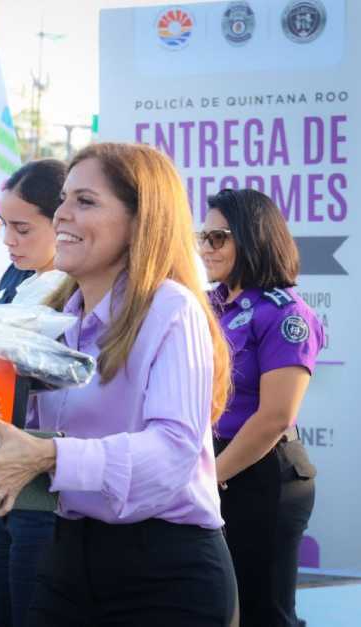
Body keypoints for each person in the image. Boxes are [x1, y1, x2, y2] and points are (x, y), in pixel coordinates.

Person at [0, 142, 238, 626]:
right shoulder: (55, 321)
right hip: (66, 555)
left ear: (141, 221)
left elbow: (172, 452)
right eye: (63, 199)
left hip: (166, 573)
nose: (61, 215)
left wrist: (50, 455)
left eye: (85, 201)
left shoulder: (171, 308)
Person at [201, 188, 322, 627]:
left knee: (263, 614)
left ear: (252, 238)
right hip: (211, 462)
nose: (205, 248)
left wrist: (209, 477)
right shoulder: (207, 302)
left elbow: (275, 416)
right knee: (212, 607)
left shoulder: (286, 312)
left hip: (262, 476)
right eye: (203, 236)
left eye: (218, 238)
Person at [0, 159, 67, 627]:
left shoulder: (71, 294)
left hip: (47, 486)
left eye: (22, 228)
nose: (8, 240)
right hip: (7, 477)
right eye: (4, 226)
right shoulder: (19, 280)